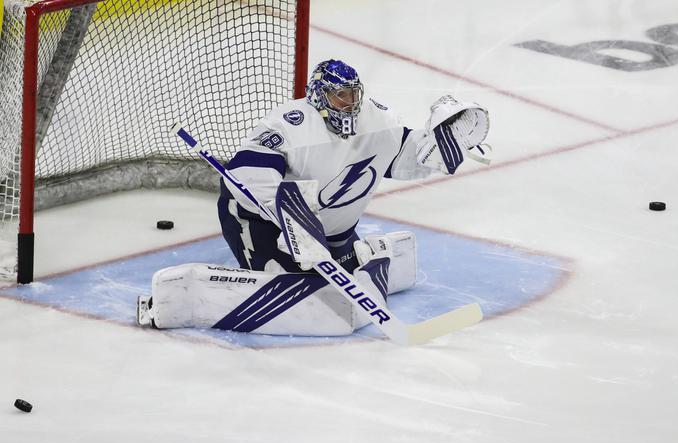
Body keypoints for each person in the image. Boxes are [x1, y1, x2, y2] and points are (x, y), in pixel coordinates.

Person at [136, 59, 490, 336]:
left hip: (325, 227)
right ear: (320, 96)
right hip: (258, 220)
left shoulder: (378, 120)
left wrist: (439, 145)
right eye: (340, 95)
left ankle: (344, 254)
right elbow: (247, 176)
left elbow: (406, 157)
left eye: (354, 94)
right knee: (292, 278)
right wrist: (292, 215)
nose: (349, 104)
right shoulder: (288, 124)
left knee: (335, 280)